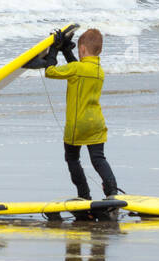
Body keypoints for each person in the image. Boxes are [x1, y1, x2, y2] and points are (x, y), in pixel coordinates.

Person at [28, 27, 120, 201]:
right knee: (98, 158)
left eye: (78, 50)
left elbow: (51, 72)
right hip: (96, 124)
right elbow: (76, 67)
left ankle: (84, 196)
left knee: (72, 159)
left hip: (77, 126)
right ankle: (112, 191)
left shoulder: (77, 68)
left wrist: (54, 49)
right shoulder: (99, 70)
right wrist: (65, 50)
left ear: (83, 49)